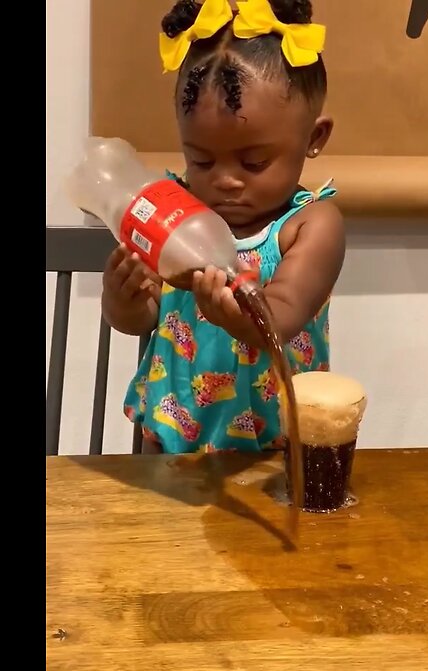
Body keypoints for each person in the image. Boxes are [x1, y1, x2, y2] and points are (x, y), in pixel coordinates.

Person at [102, 0, 345, 453]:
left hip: (274, 448)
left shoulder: (309, 224)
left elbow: (284, 313)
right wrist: (123, 300)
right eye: (202, 159)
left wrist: (236, 317)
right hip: (171, 436)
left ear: (313, 138)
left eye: (254, 161)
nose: (226, 180)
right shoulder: (173, 212)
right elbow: (144, 318)